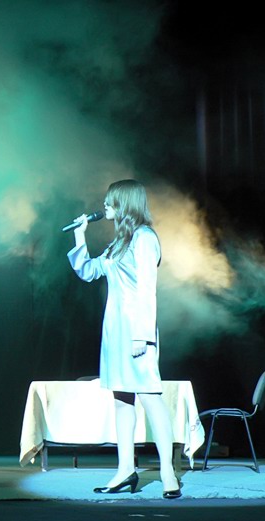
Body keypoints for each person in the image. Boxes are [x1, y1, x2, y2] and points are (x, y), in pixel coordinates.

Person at [67, 179, 181, 499]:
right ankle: (125, 470)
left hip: (135, 332)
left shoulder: (144, 238)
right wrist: (79, 235)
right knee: (121, 400)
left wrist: (141, 336)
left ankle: (168, 472)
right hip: (115, 331)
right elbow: (88, 271)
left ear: (125, 203)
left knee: (151, 398)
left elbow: (147, 290)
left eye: (111, 200)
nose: (105, 205)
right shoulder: (119, 243)